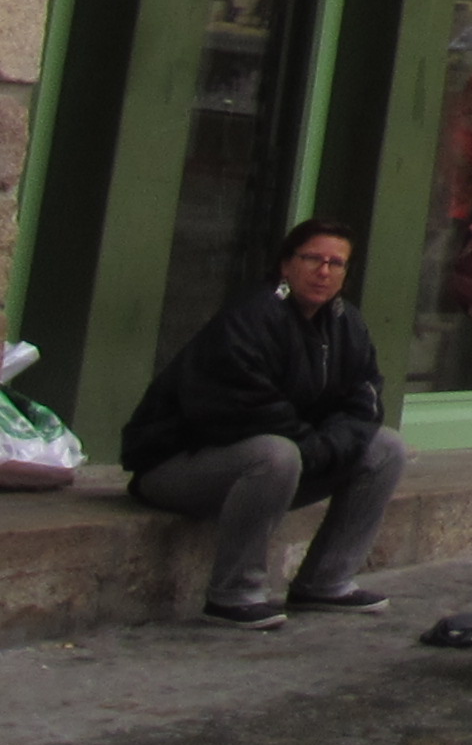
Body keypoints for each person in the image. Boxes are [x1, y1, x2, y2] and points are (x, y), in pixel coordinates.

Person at [119, 220, 407, 627]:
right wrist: (315, 447)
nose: (323, 272)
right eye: (312, 259)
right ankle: (233, 594)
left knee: (386, 448)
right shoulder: (249, 317)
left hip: (290, 460)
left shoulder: (348, 324)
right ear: (286, 265)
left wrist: (325, 447)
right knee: (275, 454)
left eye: (336, 263)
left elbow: (363, 402)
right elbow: (244, 410)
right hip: (178, 467)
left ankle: (326, 582)